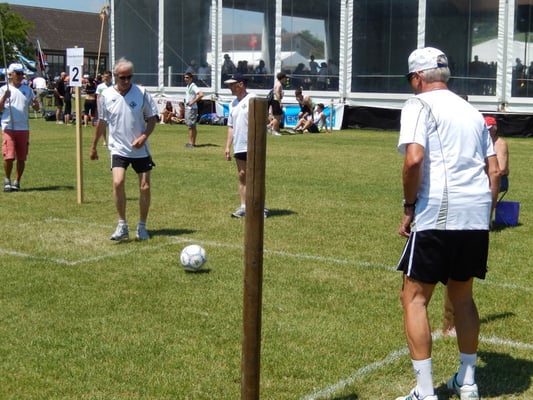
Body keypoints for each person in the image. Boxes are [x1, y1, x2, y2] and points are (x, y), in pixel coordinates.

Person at [395, 47, 500, 400]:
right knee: (463, 296)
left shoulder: (418, 105)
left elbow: (414, 160)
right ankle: (467, 381)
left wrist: (409, 206)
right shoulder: (472, 111)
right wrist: (484, 214)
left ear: (417, 78)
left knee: (413, 298)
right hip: (475, 213)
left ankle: (425, 392)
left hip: (438, 213)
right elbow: (494, 170)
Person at [89, 58, 158, 241]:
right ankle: (122, 225)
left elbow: (152, 119)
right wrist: (94, 146)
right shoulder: (106, 96)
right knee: (118, 182)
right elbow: (102, 122)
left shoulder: (141, 93)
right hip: (118, 148)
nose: (127, 81)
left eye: (129, 77)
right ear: (115, 76)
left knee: (145, 186)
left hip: (140, 150)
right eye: (122, 77)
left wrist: (143, 137)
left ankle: (142, 226)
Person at [223, 73, 267, 219]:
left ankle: (260, 207)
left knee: (256, 177)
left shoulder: (253, 99)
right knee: (242, 176)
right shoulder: (232, 104)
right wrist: (227, 146)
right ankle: (244, 206)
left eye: (232, 84)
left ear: (241, 84)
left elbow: (264, 119)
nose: (230, 87)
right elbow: (231, 126)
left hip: (253, 145)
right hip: (239, 145)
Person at [1, 63, 40, 192]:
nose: (20, 76)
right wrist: (4, 97)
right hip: (8, 126)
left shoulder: (27, 90)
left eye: (22, 74)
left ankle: (17, 182)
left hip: (23, 127)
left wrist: (35, 104)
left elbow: (36, 108)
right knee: (9, 156)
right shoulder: (4, 89)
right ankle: (7, 180)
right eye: (17, 73)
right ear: (11, 75)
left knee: (21, 157)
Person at [183, 72, 203, 148]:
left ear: (191, 78)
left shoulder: (193, 86)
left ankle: (191, 143)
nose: (186, 79)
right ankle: (191, 142)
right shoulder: (188, 86)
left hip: (192, 109)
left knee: (191, 126)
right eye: (185, 77)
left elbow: (201, 94)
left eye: (187, 77)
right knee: (191, 126)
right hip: (188, 108)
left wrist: (192, 102)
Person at [268, 72, 287, 136]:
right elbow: (276, 92)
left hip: (275, 101)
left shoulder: (277, 83)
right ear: (282, 78)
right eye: (285, 78)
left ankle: (270, 126)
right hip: (276, 101)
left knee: (279, 116)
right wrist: (280, 102)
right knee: (277, 117)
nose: (285, 80)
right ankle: (274, 130)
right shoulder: (279, 84)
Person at [96, 71, 113, 146]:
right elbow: (98, 97)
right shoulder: (100, 86)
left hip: (112, 107)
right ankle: (104, 140)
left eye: (107, 77)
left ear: (110, 77)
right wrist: (98, 107)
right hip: (103, 107)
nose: (106, 78)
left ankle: (112, 139)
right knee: (103, 123)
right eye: (104, 77)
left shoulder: (113, 86)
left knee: (113, 123)